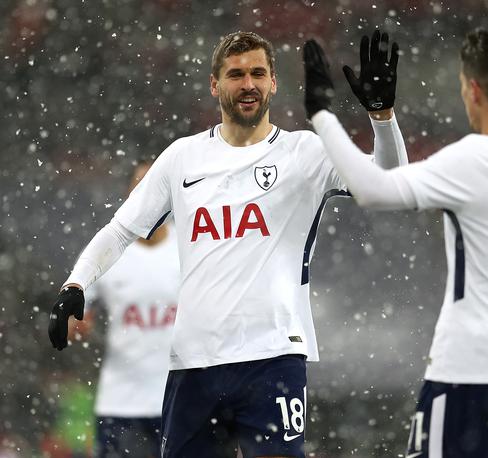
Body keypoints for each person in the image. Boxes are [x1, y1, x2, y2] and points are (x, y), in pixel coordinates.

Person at [48, 30, 407, 458]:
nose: (248, 84)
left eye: (258, 73)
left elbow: (390, 184)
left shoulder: (304, 153)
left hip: (273, 358)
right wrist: (76, 284)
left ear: (274, 81)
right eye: (236, 74)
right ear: (214, 84)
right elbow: (121, 229)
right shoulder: (183, 157)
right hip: (194, 365)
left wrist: (382, 118)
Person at [303, 29, 488, 458]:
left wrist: (321, 113)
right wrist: (383, 115)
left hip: (472, 368)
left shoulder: (477, 160)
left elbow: (375, 190)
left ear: (472, 89)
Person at [67, 162, 179, 457]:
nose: (149, 195)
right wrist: (75, 325)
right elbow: (74, 309)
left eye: (156, 185)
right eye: (140, 186)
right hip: (121, 399)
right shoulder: (107, 249)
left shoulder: (190, 245)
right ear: (129, 195)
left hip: (180, 397)